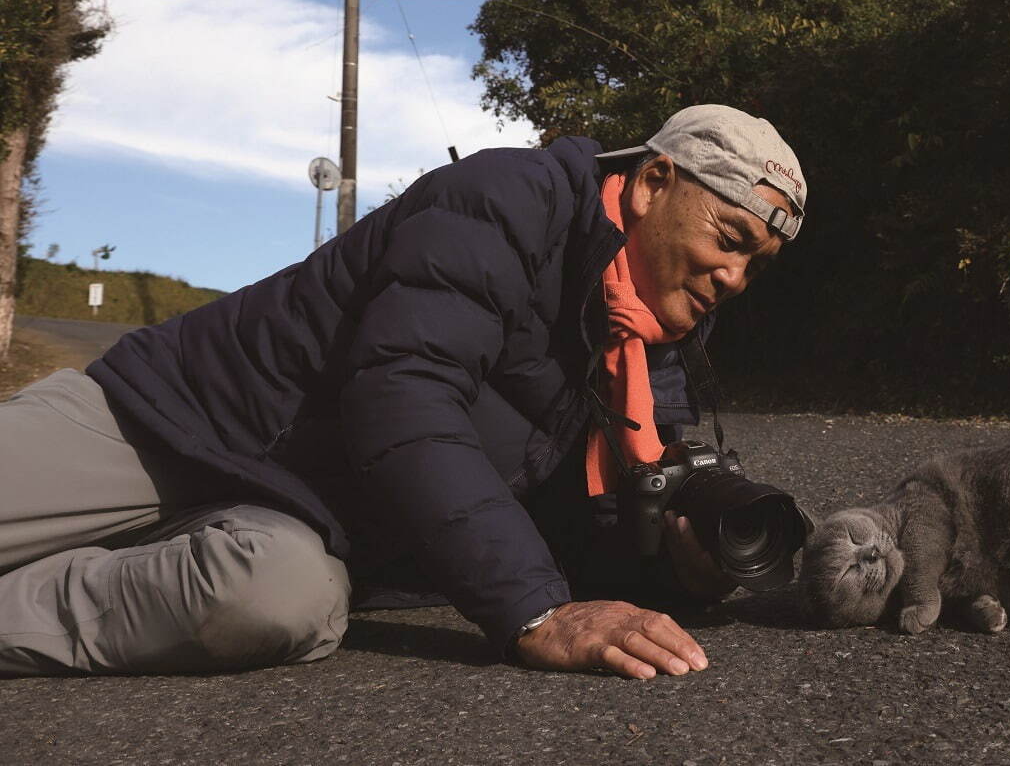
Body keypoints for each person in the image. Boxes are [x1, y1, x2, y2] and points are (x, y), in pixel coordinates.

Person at [0, 103, 806, 680]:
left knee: (284, 599)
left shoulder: (658, 341)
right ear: (651, 183)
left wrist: (683, 566)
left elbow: (593, 526)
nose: (734, 277)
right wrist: (534, 610)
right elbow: (405, 399)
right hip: (170, 421)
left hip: (293, 514)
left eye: (758, 265)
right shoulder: (507, 200)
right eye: (729, 238)